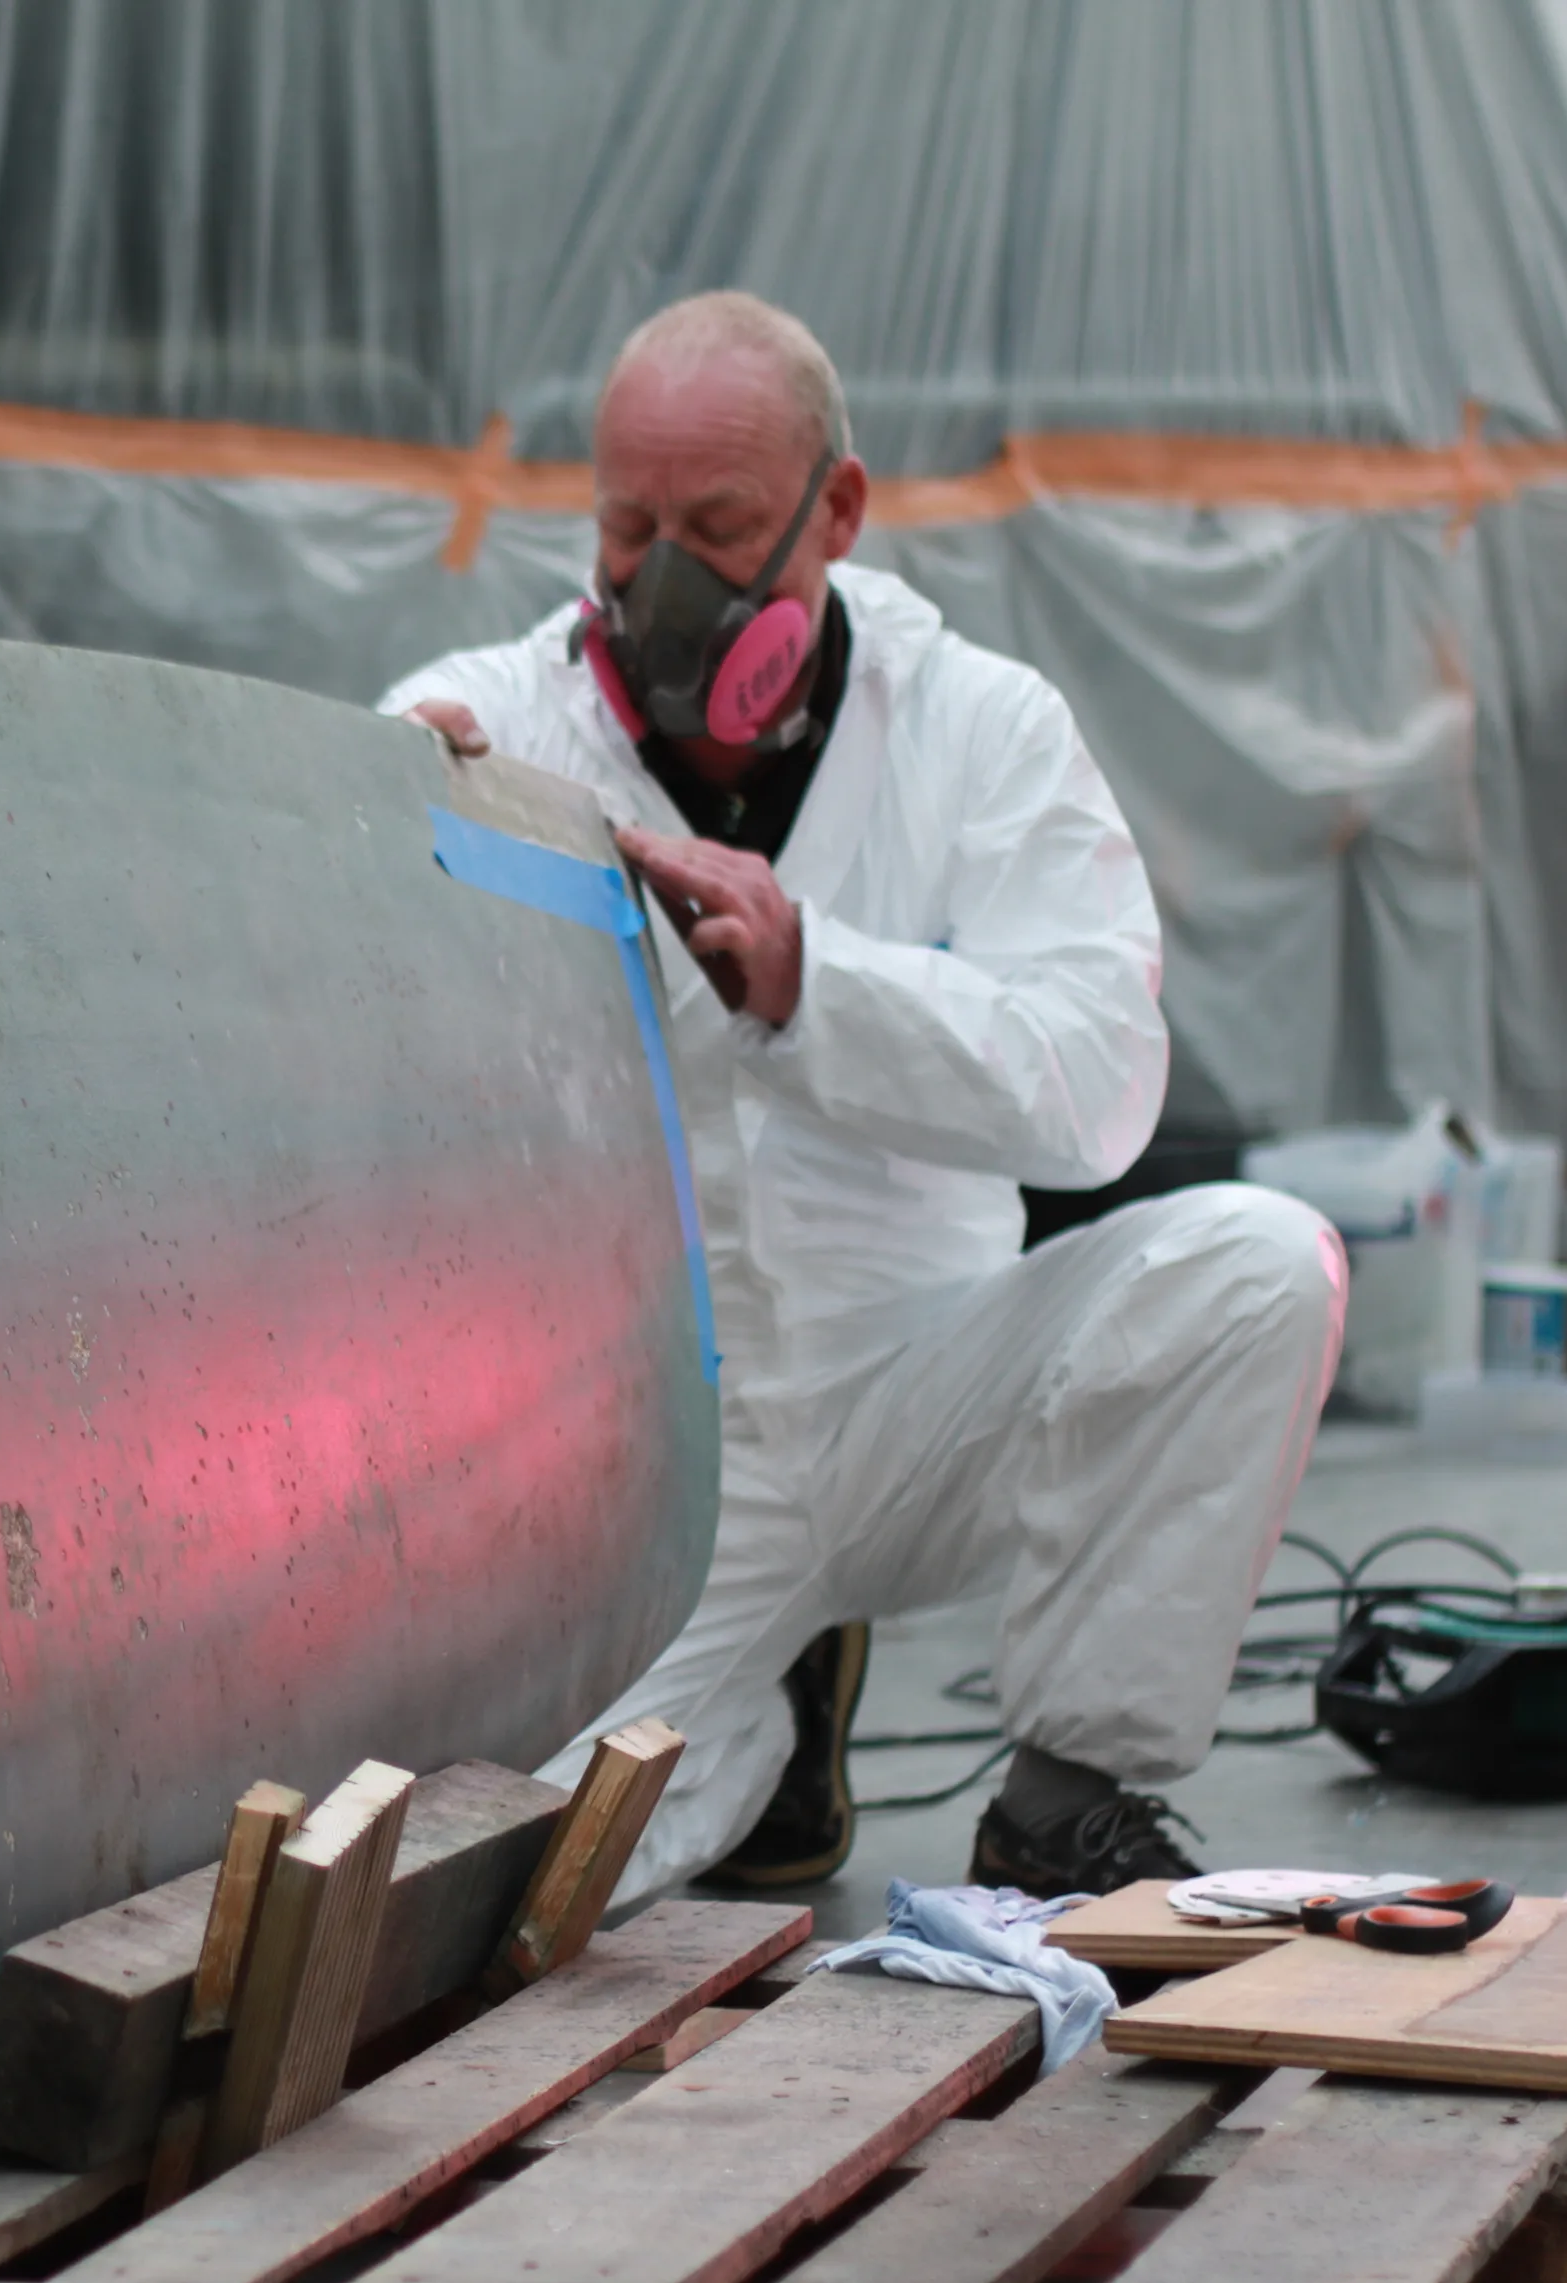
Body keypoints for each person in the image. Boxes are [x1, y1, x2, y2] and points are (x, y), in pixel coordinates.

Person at [386, 291, 1346, 1906]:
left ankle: (1065, 1799)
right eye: (627, 529)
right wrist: (384, 809)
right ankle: (763, 1730)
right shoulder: (497, 728)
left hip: (926, 1388)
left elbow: (1100, 1082)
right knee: (530, 1874)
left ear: (837, 510)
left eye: (718, 530)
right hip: (656, 1459)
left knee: (1259, 1268)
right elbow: (355, 885)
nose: (663, 584)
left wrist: (813, 983)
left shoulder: (979, 733)